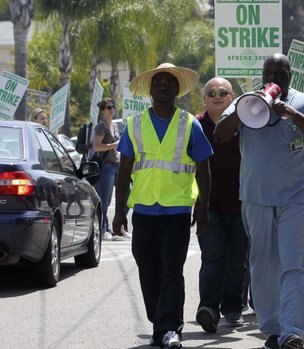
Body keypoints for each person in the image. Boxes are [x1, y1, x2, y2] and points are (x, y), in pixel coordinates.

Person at [213, 53, 304, 349]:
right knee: (263, 266)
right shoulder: (246, 101)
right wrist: (244, 110)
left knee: (295, 264)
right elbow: (219, 135)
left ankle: (294, 331)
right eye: (269, 74)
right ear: (262, 76)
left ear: (290, 76)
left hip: (296, 198)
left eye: (280, 74)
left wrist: (292, 114)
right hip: (256, 198)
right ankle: (274, 330)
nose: (274, 80)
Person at [112, 63, 213, 349]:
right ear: (151, 90)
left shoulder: (189, 123)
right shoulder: (134, 124)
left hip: (177, 212)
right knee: (148, 269)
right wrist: (120, 211)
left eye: (170, 82)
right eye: (159, 82)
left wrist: (202, 209)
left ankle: (170, 328)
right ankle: (160, 320)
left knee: (172, 271)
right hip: (144, 211)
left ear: (177, 89)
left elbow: (204, 169)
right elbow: (124, 171)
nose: (165, 86)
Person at [193, 77, 249, 333]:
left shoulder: (246, 124)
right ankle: (208, 308)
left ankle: (233, 307)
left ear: (232, 96)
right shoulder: (195, 125)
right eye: (211, 92)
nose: (217, 96)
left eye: (222, 92)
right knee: (213, 257)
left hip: (243, 205)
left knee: (237, 261)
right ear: (204, 98)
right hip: (208, 206)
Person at [93, 98, 122, 240]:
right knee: (105, 199)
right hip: (106, 166)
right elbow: (97, 146)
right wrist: (114, 145)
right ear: (102, 111)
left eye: (113, 107)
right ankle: (104, 229)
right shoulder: (101, 126)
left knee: (127, 193)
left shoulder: (114, 126)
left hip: (117, 164)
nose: (112, 110)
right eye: (109, 107)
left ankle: (117, 226)